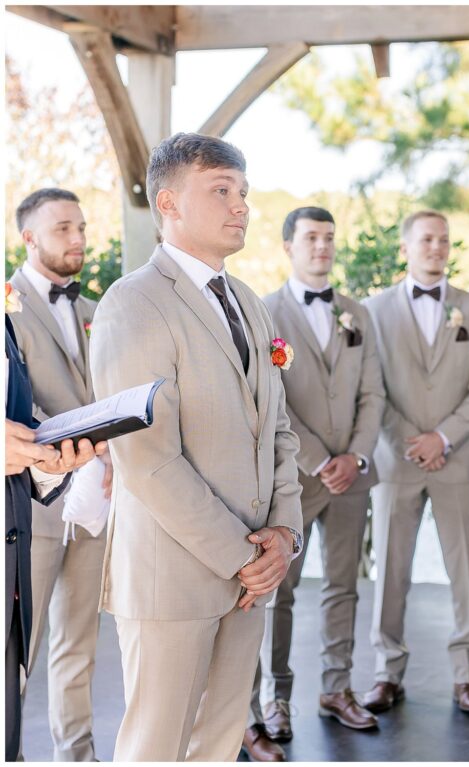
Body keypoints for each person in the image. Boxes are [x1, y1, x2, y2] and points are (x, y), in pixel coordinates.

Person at [89, 132, 304, 761]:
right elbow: (145, 459)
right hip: (174, 578)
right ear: (169, 202)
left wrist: (284, 534)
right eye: (221, 191)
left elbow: (279, 430)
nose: (240, 206)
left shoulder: (250, 305)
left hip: (252, 575)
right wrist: (240, 555)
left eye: (243, 192)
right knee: (155, 750)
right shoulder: (133, 302)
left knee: (216, 748)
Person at [248, 206, 386, 759]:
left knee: (344, 586)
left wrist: (355, 455)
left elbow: (374, 392)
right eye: (311, 238)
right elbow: (268, 397)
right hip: (293, 481)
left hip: (351, 478)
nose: (322, 247)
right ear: (289, 246)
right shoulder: (264, 312)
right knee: (280, 591)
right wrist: (317, 458)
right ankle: (276, 700)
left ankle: (336, 688)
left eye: (329, 238)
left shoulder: (357, 314)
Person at [363, 210, 469, 716]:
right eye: (426, 239)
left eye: (444, 240)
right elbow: (370, 386)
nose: (436, 248)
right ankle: (386, 673)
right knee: (390, 571)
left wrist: (442, 437)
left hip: (461, 456)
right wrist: (412, 440)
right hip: (396, 461)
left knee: (466, 571)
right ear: (406, 247)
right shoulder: (372, 310)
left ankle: (468, 674)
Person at [8, 187, 110, 761]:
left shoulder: (97, 312)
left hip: (95, 503)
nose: (78, 239)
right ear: (29, 237)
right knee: (14, 646)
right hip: (31, 502)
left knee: (81, 643)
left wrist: (114, 457)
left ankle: (78, 754)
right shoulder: (5, 306)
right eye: (64, 229)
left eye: (81, 228)